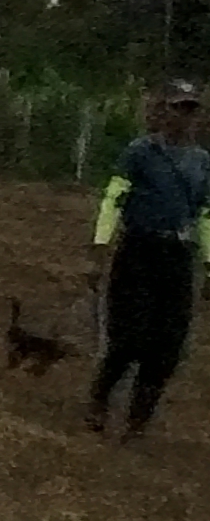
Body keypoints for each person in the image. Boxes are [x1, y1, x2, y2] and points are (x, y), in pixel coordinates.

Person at [85, 80, 210, 438]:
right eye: (177, 107)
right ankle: (100, 398)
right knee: (129, 337)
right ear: (163, 111)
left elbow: (205, 214)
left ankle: (139, 416)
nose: (183, 116)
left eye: (190, 108)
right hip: (139, 249)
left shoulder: (203, 162)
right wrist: (98, 248)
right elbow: (114, 199)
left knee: (169, 343)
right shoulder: (139, 152)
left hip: (178, 255)